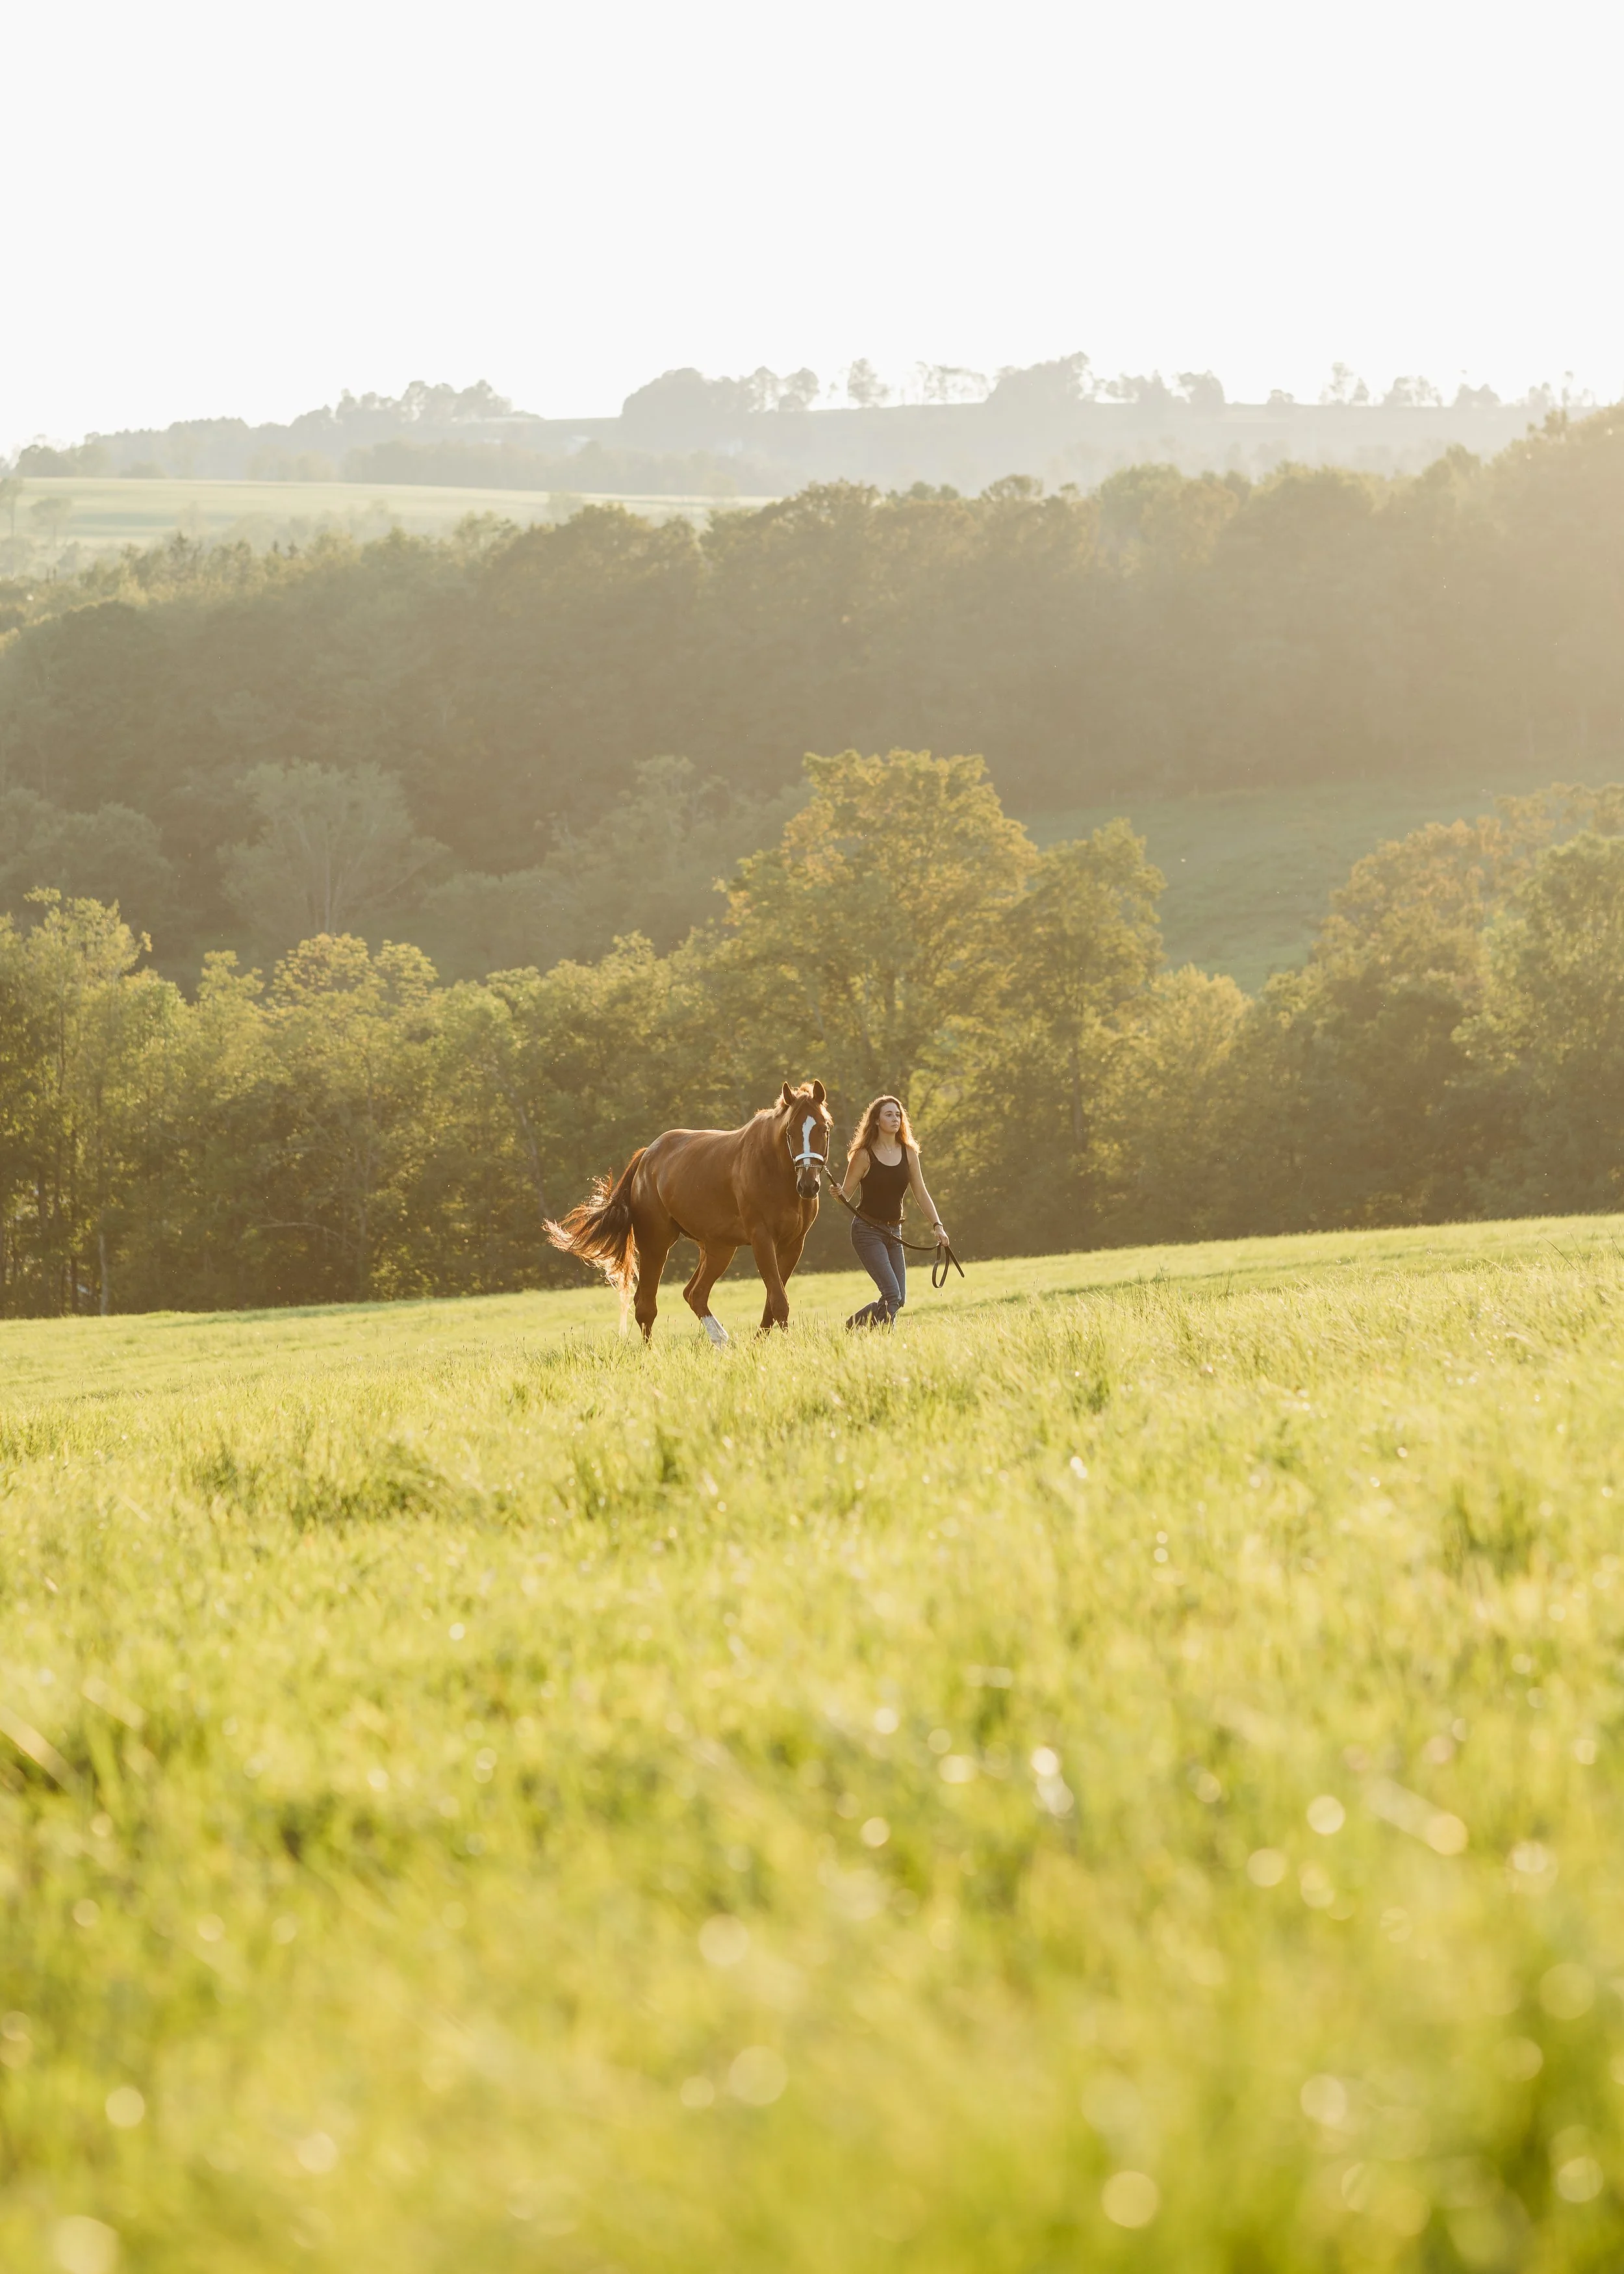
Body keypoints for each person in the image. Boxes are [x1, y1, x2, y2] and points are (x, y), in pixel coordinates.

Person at [839, 1095, 948, 1329]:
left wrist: (937, 1225)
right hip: (867, 1231)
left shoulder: (909, 1153)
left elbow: (921, 1193)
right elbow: (845, 1195)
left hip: (894, 1233)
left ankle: (862, 1329)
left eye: (898, 1114)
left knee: (899, 1299)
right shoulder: (864, 1155)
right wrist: (837, 1192)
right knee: (892, 1294)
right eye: (889, 1114)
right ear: (876, 1121)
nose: (895, 1119)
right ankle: (864, 1330)